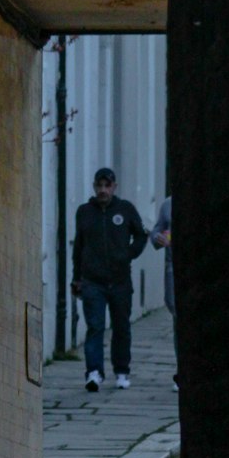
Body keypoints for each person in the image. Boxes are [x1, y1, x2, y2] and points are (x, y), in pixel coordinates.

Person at [70, 168, 147, 392]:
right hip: (93, 280)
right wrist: (77, 278)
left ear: (114, 187)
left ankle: (121, 370)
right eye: (99, 186)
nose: (103, 190)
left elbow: (141, 235)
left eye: (107, 186)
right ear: (94, 187)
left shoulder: (125, 209)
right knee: (95, 326)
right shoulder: (85, 212)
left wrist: (129, 254)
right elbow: (79, 246)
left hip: (120, 279)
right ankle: (94, 372)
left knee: (121, 326)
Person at [151, 195, 178, 389]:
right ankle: (181, 369)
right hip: (173, 269)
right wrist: (158, 238)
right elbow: (156, 231)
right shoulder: (168, 204)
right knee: (178, 319)